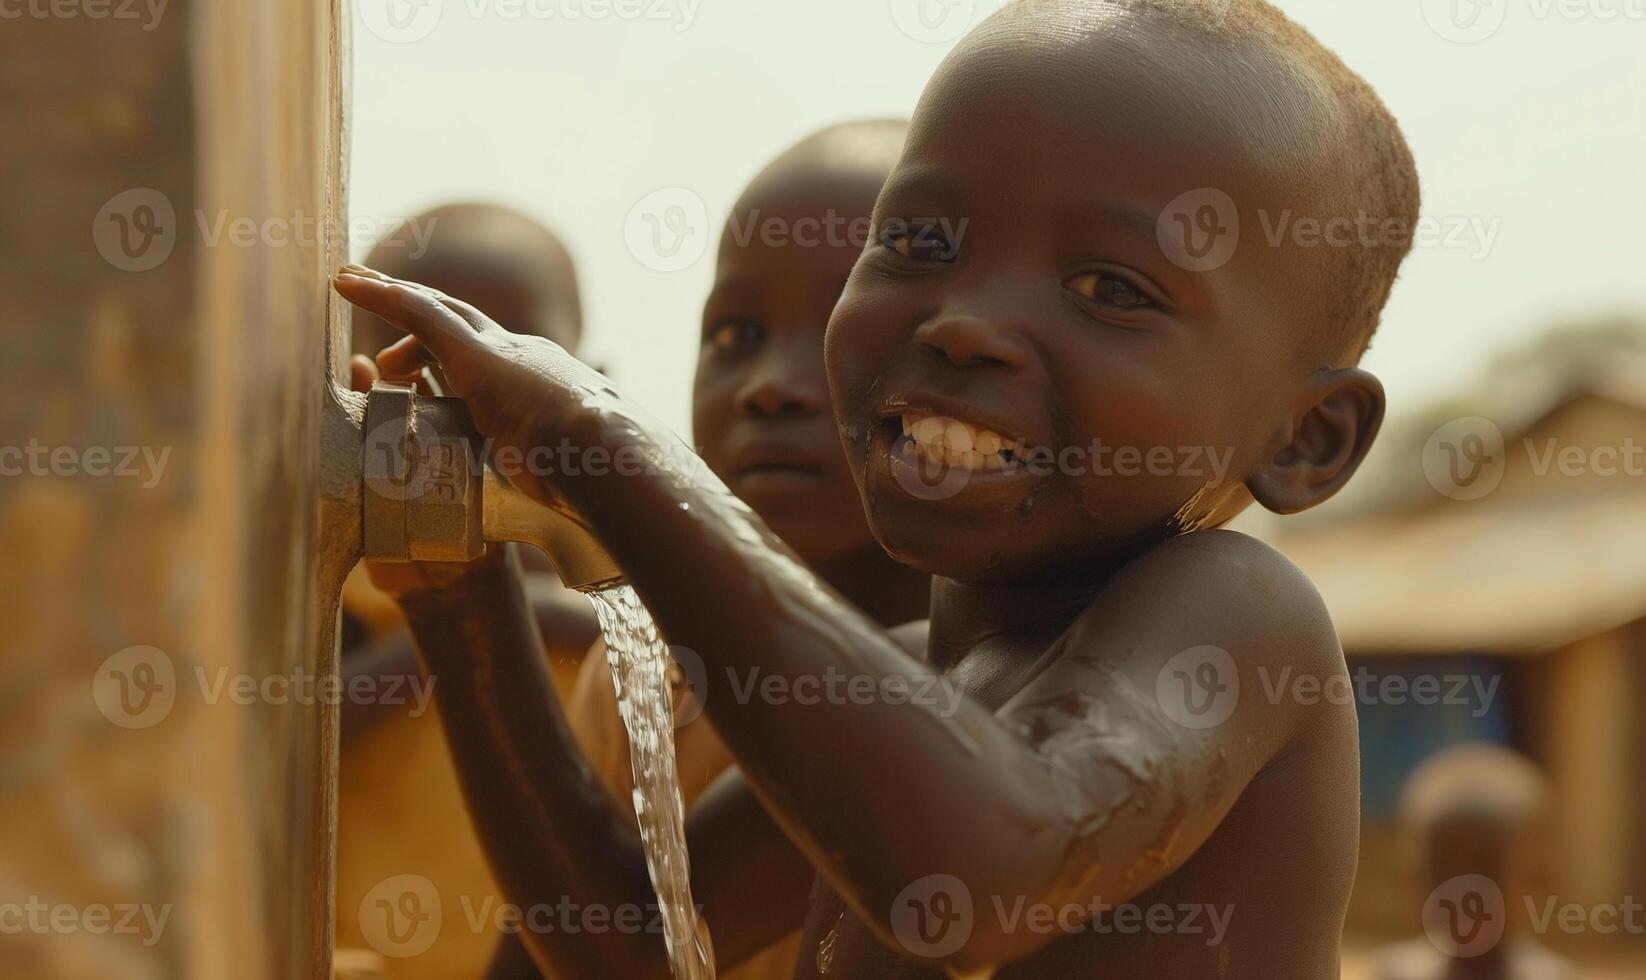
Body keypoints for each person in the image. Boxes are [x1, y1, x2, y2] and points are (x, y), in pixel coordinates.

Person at [332, 0, 1421, 973]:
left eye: (1107, 286)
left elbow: (982, 872)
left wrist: (601, 442)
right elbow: (633, 940)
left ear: (1307, 438)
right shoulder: (915, 686)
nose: (964, 319)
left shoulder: (1240, 619)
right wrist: (457, 597)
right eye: (917, 240)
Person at [483, 120, 931, 980]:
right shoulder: (652, 674)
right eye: (736, 334)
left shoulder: (1000, 671)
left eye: (845, 330)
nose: (769, 385)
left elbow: (624, 959)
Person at [334, 203, 598, 979]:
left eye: (502, 355)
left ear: (593, 386)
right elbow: (268, 745)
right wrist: (427, 653)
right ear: (349, 393)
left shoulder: (615, 579)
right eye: (412, 366)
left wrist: (554, 613)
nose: (459, 397)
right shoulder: (344, 584)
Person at [1372, 744, 1576, 980]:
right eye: (1443, 871)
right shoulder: (1394, 974)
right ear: (1411, 875)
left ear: (1539, 878)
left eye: (1487, 875)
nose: (1464, 897)